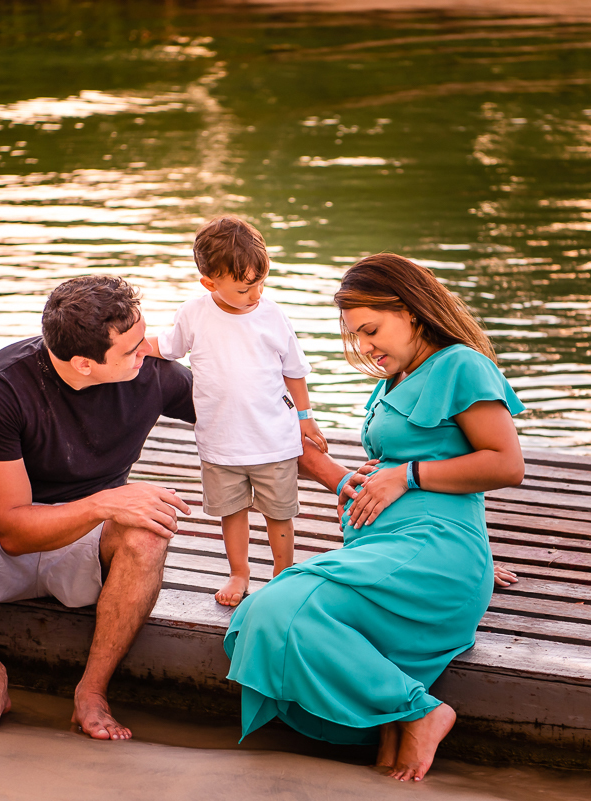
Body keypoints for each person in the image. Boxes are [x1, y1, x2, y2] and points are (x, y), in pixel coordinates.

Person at [223, 253, 525, 782]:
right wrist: (363, 473)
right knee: (266, 612)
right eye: (356, 335)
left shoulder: (460, 364)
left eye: (371, 330)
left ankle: (422, 710)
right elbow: (420, 453)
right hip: (384, 550)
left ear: (411, 311)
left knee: (279, 609)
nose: (364, 347)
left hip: (431, 551)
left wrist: (406, 476)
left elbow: (506, 464)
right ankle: (389, 722)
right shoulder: (400, 373)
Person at [0, 275, 196, 740]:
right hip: (5, 536)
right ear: (83, 363)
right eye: (134, 347)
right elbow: (14, 532)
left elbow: (245, 419)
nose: (151, 349)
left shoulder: (151, 371)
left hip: (88, 545)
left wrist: (337, 474)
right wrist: (105, 502)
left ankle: (92, 692)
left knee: (148, 529)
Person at [147, 216, 327, 607]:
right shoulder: (194, 313)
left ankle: (283, 573)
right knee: (232, 512)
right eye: (246, 287)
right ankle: (239, 572)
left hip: (273, 440)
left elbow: (294, 371)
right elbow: (168, 346)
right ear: (210, 283)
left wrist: (305, 417)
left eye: (262, 282)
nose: (256, 294)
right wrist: (124, 346)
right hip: (220, 441)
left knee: (279, 513)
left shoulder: (272, 315)